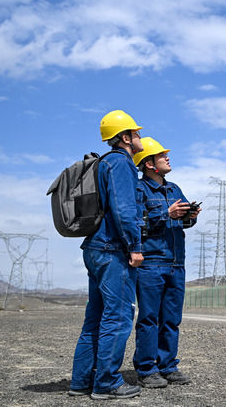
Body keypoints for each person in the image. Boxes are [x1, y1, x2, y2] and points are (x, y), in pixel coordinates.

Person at [69, 110, 145, 400]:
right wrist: (135, 247)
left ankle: (80, 381)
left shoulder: (102, 164)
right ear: (125, 138)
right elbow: (125, 211)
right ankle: (107, 384)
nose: (139, 137)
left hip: (94, 249)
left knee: (95, 318)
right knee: (119, 317)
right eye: (135, 133)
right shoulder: (122, 164)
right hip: (113, 250)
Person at [132, 137, 200, 388]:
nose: (167, 157)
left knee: (171, 318)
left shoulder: (175, 189)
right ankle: (147, 369)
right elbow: (135, 224)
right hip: (151, 263)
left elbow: (183, 224)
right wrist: (166, 213)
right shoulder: (139, 190)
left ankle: (168, 366)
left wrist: (190, 216)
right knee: (149, 318)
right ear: (149, 164)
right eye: (162, 155)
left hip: (175, 263)